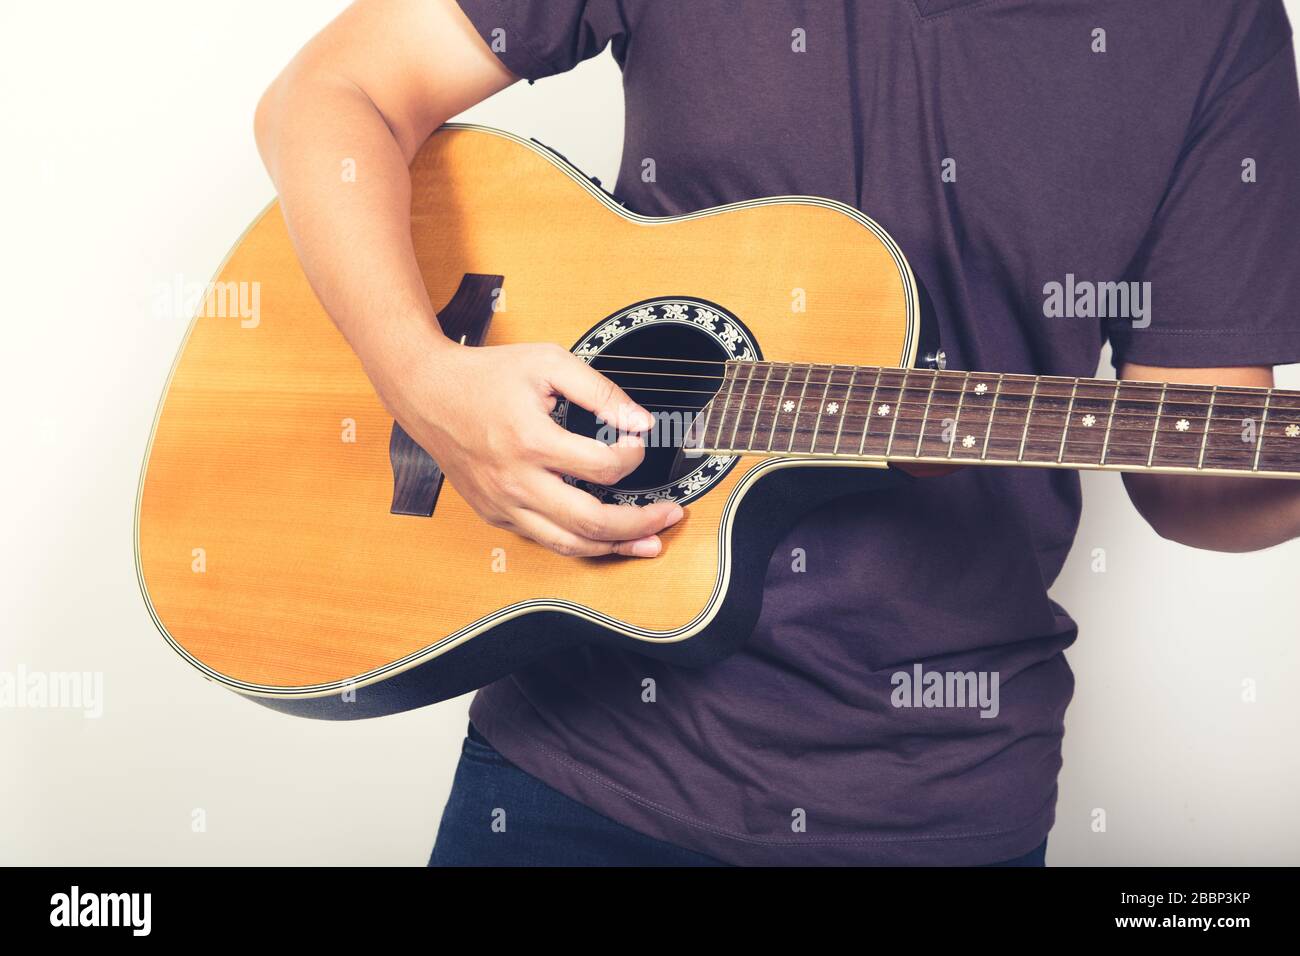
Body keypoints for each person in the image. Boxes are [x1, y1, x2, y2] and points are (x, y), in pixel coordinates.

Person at [254, 0, 1300, 866]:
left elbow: (1194, 472)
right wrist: (424, 378)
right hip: (573, 758)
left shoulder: (1212, 28)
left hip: (935, 802)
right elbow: (330, 97)